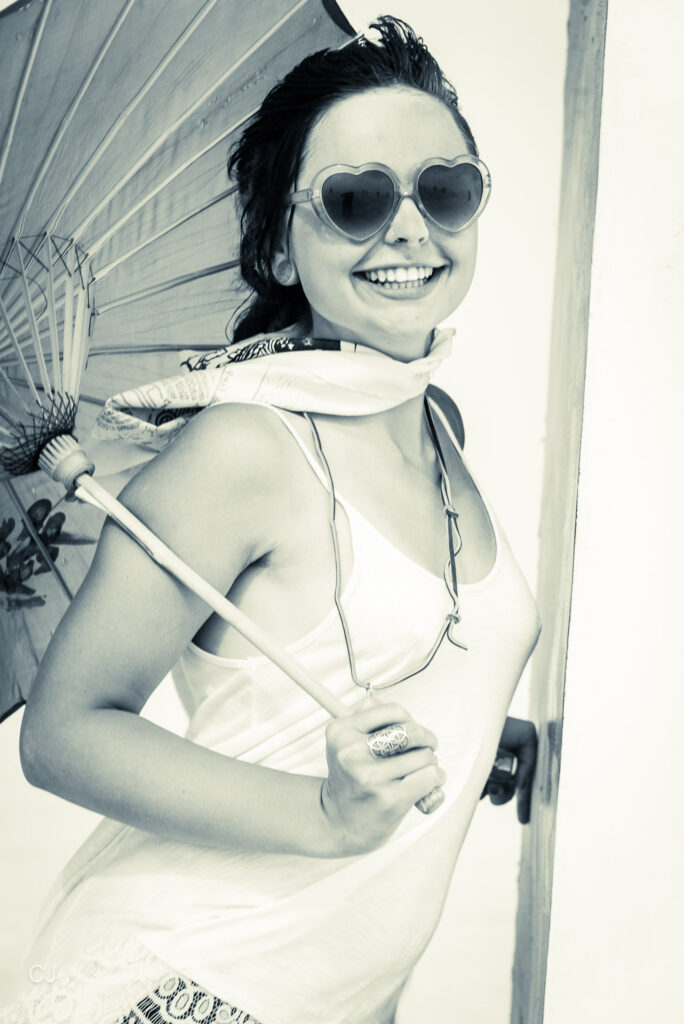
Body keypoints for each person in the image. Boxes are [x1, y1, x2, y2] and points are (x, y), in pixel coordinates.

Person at [2, 17, 540, 1024]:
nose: (409, 229)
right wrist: (325, 811)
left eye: (444, 188)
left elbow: (396, 642)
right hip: (191, 984)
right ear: (278, 249)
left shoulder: (438, 425)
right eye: (355, 199)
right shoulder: (245, 446)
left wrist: (473, 727)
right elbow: (64, 733)